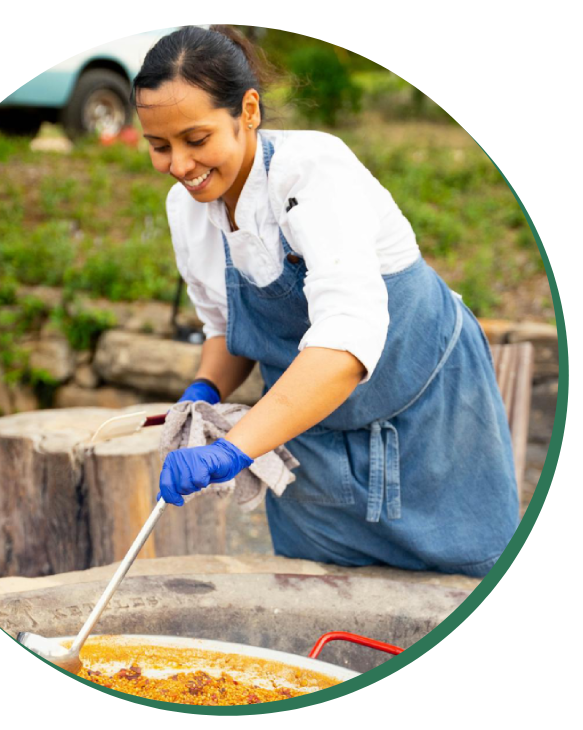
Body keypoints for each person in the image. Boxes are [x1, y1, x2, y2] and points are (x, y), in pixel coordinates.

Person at [131, 25, 519, 577]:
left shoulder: (312, 170)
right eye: (159, 146)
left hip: (425, 417)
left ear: (247, 110)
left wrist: (234, 450)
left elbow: (343, 342)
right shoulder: (186, 209)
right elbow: (227, 328)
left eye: (196, 140)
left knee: (463, 581)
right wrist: (204, 391)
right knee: (315, 592)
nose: (180, 165)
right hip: (305, 429)